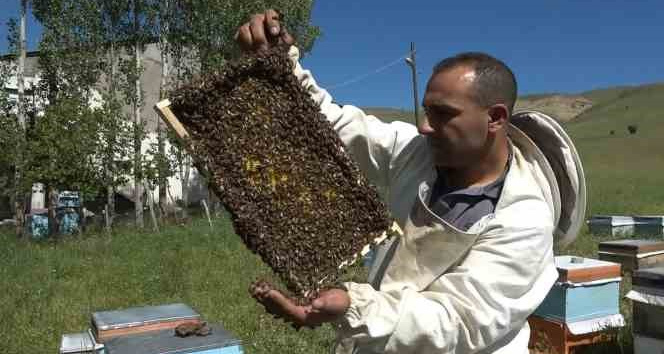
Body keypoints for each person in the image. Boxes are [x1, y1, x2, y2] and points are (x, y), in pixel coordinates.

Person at [236, 9, 586, 354]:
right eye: (427, 111)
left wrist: (353, 306)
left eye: (444, 114)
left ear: (494, 118)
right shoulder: (418, 152)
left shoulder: (524, 220)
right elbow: (336, 128)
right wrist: (284, 66)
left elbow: (455, 322)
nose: (425, 126)